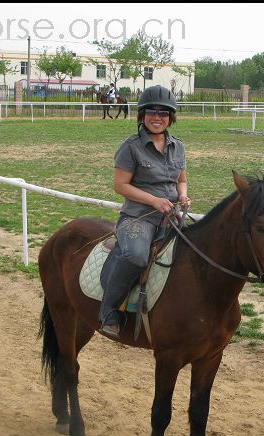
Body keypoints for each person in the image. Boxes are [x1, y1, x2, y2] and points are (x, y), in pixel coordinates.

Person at [98, 85, 189, 338]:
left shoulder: (178, 147)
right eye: (151, 112)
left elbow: (181, 179)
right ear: (142, 115)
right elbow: (120, 186)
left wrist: (182, 195)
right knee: (136, 256)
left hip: (170, 215)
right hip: (139, 216)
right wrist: (153, 200)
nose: (157, 117)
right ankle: (109, 311)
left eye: (163, 113)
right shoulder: (131, 147)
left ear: (171, 117)